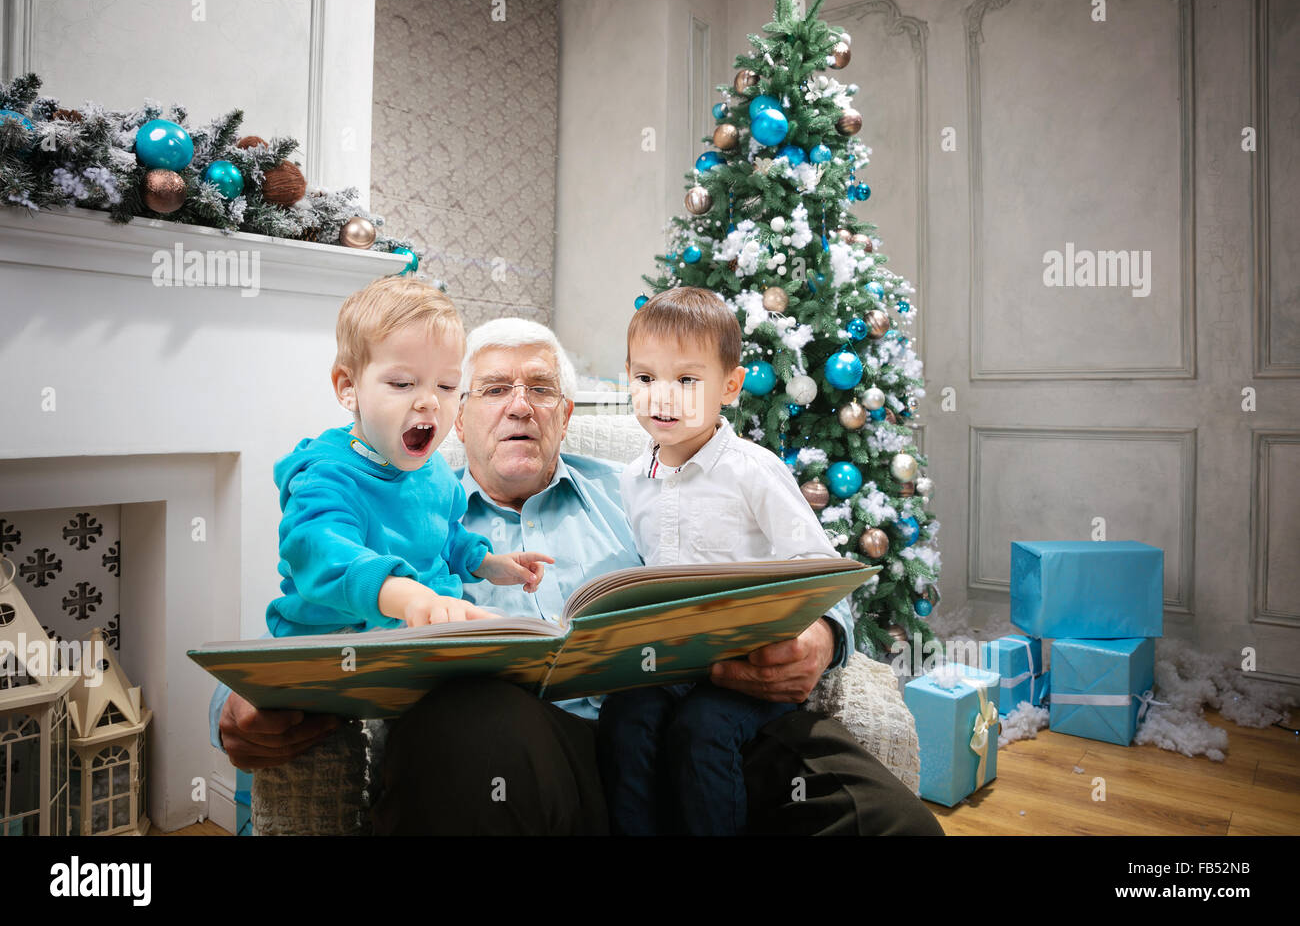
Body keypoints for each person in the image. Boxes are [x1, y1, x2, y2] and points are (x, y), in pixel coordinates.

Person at [212, 316, 943, 836]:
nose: (521, 404)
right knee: (468, 722)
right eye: (495, 389)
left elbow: (773, 560)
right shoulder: (408, 506)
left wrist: (820, 632)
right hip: (523, 757)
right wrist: (233, 703)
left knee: (876, 816)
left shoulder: (644, 485)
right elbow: (313, 588)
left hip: (679, 736)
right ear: (456, 419)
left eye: (539, 389)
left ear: (565, 415)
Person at [596, 287, 850, 835]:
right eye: (645, 379)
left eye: (687, 380)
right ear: (628, 378)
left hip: (746, 665)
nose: (664, 398)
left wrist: (808, 637)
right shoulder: (629, 480)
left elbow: (817, 565)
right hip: (668, 663)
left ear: (730, 386)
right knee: (626, 716)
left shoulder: (752, 471)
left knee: (702, 729)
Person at [265, 275, 552, 640]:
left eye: (446, 386)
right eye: (402, 384)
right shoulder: (324, 478)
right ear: (348, 387)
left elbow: (442, 538)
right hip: (337, 640)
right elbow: (323, 553)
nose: (429, 400)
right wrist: (410, 597)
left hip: (421, 635)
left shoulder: (436, 475)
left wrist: (487, 564)